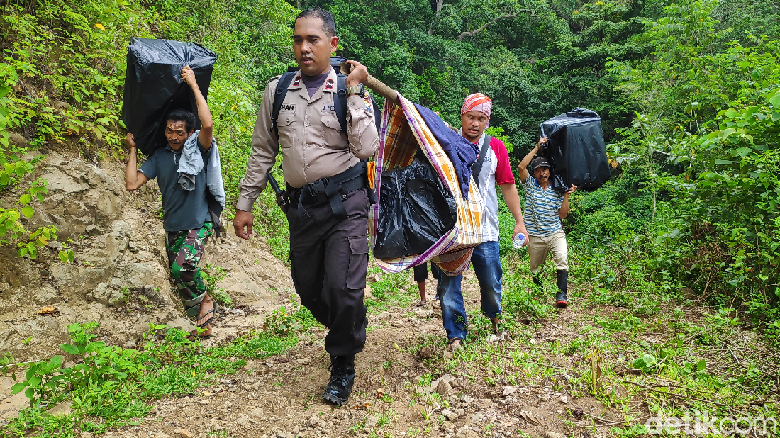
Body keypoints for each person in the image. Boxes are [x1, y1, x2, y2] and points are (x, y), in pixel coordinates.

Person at [232, 7, 379, 406]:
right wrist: (245, 203)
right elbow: (263, 151)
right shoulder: (277, 90)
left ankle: (342, 365)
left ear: (332, 44)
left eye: (313, 39)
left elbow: (367, 148)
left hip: (347, 203)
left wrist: (356, 93)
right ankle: (350, 324)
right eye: (298, 39)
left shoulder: (349, 89)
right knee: (309, 289)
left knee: (343, 288)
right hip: (303, 210)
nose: (304, 47)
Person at [125, 65, 222, 338]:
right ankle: (203, 327)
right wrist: (133, 150)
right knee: (180, 278)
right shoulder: (160, 157)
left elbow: (208, 124)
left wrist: (192, 84)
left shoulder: (199, 151)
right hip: (173, 227)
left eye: (179, 132)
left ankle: (205, 301)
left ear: (189, 133)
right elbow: (132, 183)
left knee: (184, 267)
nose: (174, 136)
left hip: (199, 223)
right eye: (170, 131)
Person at [437, 93, 528, 351]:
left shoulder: (495, 148)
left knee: (490, 281)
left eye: (480, 118)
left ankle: (494, 318)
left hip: (486, 229)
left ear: (487, 121)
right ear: (462, 116)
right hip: (453, 230)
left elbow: (508, 185)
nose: (474, 123)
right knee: (449, 284)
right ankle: (456, 334)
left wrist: (519, 222)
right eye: (470, 117)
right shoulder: (447, 143)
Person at [517, 137, 577, 308]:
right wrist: (536, 148)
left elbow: (563, 215)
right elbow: (521, 167)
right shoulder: (529, 185)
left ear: (550, 171)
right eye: (538, 171)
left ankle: (561, 294)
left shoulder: (558, 188)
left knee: (562, 258)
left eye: (545, 170)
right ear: (534, 173)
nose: (542, 173)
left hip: (555, 232)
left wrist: (566, 195)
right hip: (535, 235)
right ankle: (538, 292)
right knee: (536, 268)